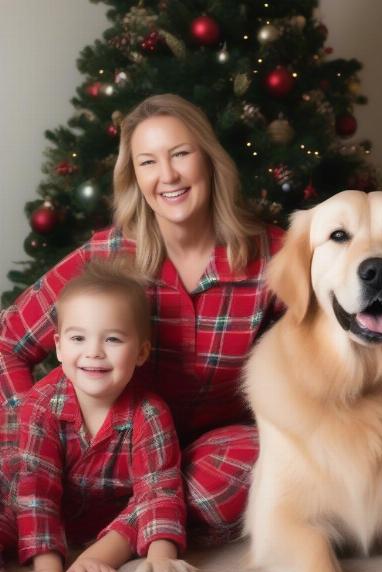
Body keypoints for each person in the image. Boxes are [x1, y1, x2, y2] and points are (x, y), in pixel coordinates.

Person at [0, 94, 284, 541]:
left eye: (181, 154)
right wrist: (27, 433)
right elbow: (7, 344)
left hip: (201, 456)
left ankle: (117, 532)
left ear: (209, 160)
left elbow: (327, 338)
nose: (167, 175)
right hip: (102, 455)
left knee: (265, 456)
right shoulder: (108, 254)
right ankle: (124, 516)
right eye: (148, 162)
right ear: (134, 177)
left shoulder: (272, 255)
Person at [0, 260, 203, 572]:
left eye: (112, 339)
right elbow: (36, 491)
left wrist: (161, 561)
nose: (93, 352)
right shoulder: (41, 404)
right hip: (30, 496)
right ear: (60, 348)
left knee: (162, 495)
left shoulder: (150, 413)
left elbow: (158, 492)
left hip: (107, 518)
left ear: (140, 352)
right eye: (78, 337)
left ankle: (111, 550)